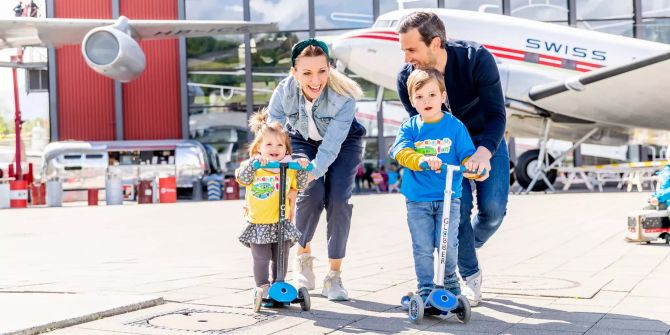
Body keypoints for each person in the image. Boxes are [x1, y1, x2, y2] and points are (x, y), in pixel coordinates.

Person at [396, 11, 509, 306]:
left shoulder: (477, 59)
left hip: (486, 141)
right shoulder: (407, 79)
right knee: (455, 215)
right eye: (404, 50)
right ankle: (469, 275)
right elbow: (419, 130)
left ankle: (458, 250)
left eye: (411, 49)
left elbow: (497, 114)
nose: (407, 58)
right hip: (444, 153)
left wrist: (483, 154)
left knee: (493, 211)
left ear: (435, 43)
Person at [267, 38, 366, 301]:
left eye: (322, 71)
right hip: (300, 140)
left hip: (344, 143)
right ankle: (303, 256)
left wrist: (312, 171)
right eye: (307, 72)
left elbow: (331, 144)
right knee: (310, 193)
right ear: (294, 72)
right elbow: (273, 129)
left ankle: (334, 276)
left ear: (330, 68)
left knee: (337, 200)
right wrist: (271, 160)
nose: (315, 80)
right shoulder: (284, 91)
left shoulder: (344, 96)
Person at [391, 68, 476, 301]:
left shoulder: (455, 126)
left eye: (431, 95)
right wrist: (421, 160)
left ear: (442, 96)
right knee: (422, 246)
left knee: (447, 244)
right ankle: (426, 287)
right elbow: (400, 151)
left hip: (449, 197)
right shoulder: (410, 127)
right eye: (419, 97)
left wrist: (471, 166)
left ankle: (450, 281)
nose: (426, 101)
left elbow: (467, 154)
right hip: (418, 198)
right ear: (412, 101)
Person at [236, 109, 309, 306]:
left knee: (281, 257)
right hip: (259, 222)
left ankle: (280, 285)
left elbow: (300, 184)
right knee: (261, 258)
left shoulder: (289, 167)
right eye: (269, 144)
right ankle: (263, 286)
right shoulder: (254, 166)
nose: (274, 148)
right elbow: (241, 178)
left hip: (282, 222)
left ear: (286, 149)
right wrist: (253, 164)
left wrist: (301, 166)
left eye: (280, 144)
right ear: (259, 147)